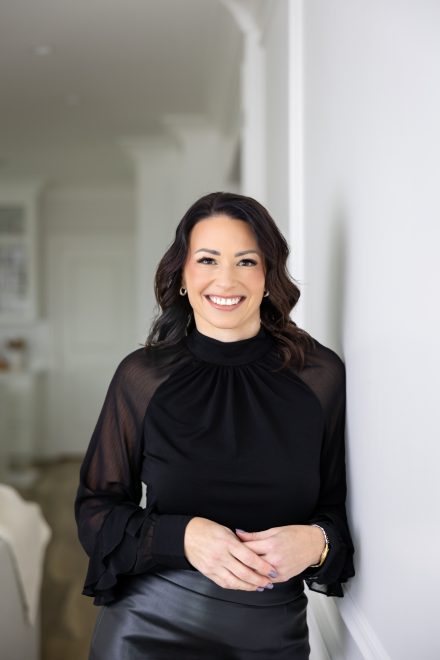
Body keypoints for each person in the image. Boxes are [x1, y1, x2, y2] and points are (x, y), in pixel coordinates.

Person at [74, 191, 355, 659]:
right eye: (207, 259)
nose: (226, 279)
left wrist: (316, 543)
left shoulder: (320, 376)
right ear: (182, 275)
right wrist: (183, 536)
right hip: (148, 626)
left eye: (246, 261)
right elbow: (96, 511)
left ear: (268, 275)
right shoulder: (142, 378)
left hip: (271, 635)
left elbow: (339, 509)